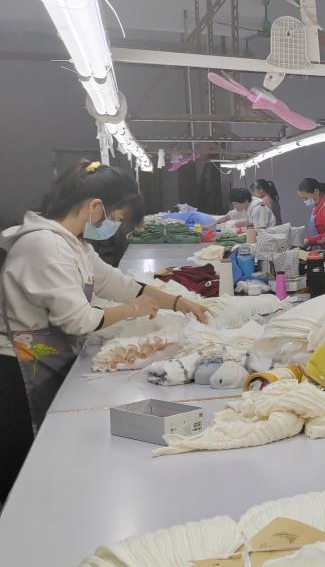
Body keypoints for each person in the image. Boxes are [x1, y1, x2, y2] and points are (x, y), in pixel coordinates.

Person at [0, 160, 211, 501]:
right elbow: (78, 320)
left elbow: (117, 283)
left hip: (44, 359)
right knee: (21, 470)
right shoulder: (44, 246)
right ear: (95, 206)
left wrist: (177, 302)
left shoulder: (74, 245)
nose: (112, 225)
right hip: (15, 372)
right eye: (116, 216)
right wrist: (133, 311)